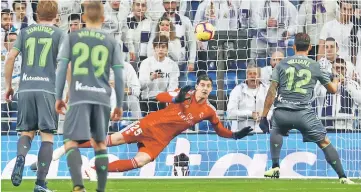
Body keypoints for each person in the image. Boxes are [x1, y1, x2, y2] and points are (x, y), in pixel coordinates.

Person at [52, 75, 253, 179]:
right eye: (203, 85)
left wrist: (235, 135)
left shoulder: (208, 110)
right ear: (197, 86)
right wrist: (176, 97)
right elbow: (159, 97)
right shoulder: (185, 94)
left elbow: (219, 130)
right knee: (111, 141)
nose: (206, 89)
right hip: (149, 125)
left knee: (140, 161)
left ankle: (95, 169)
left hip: (160, 140)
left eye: (209, 87)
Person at [259, 33, 354, 184]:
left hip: (282, 112)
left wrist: (264, 116)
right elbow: (333, 90)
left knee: (276, 129)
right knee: (324, 142)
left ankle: (275, 166)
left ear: (293, 46)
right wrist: (335, 79)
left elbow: (271, 91)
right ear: (310, 48)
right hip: (304, 114)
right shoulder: (315, 65)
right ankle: (343, 176)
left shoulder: (282, 63)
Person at [55, 1, 125, 192]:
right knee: (100, 143)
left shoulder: (72, 38)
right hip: (102, 98)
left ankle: (78, 186)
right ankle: (100, 190)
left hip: (78, 97)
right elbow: (119, 74)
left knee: (70, 141)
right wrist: (119, 103)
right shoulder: (111, 41)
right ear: (103, 19)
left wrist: (58, 97)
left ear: (83, 18)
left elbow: (62, 68)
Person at [4, 1, 65, 191]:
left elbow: (10, 58)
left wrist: (8, 86)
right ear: (56, 16)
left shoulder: (24, 32)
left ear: (37, 14)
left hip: (25, 89)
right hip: (48, 90)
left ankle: (20, 158)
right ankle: (40, 183)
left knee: (26, 132)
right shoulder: (60, 34)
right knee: (47, 137)